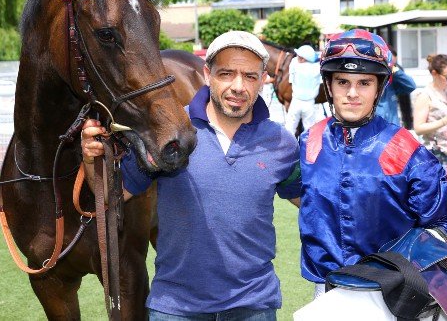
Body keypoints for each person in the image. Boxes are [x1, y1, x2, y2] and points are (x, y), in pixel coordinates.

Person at [81, 30, 301, 320]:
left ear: (263, 80)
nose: (238, 86)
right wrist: (91, 159)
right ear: (208, 75)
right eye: (226, 74)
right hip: (176, 307)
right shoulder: (169, 133)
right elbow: (112, 195)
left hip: (253, 305)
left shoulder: (281, 142)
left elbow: (309, 201)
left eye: (249, 76)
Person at [297, 28, 447, 299]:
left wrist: (402, 267)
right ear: (329, 85)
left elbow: (446, 221)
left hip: (389, 292)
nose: (352, 93)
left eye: (364, 83)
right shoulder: (309, 142)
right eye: (342, 82)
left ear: (379, 88)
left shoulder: (407, 150)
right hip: (325, 290)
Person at [413, 54, 447, 166]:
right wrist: (444, 121)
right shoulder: (425, 95)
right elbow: (418, 128)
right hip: (434, 153)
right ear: (434, 73)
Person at [375, 46, 416, 127]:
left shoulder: (392, 84)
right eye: (388, 63)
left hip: (393, 128)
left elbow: (411, 85)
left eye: (393, 64)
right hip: (376, 129)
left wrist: (395, 70)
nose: (390, 66)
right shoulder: (371, 82)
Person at [285, 44, 321, 135]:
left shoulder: (295, 65)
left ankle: (288, 143)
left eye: (299, 56)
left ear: (303, 59)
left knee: (290, 127)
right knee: (309, 130)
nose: (296, 57)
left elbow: (290, 79)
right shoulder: (317, 68)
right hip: (310, 103)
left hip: (296, 101)